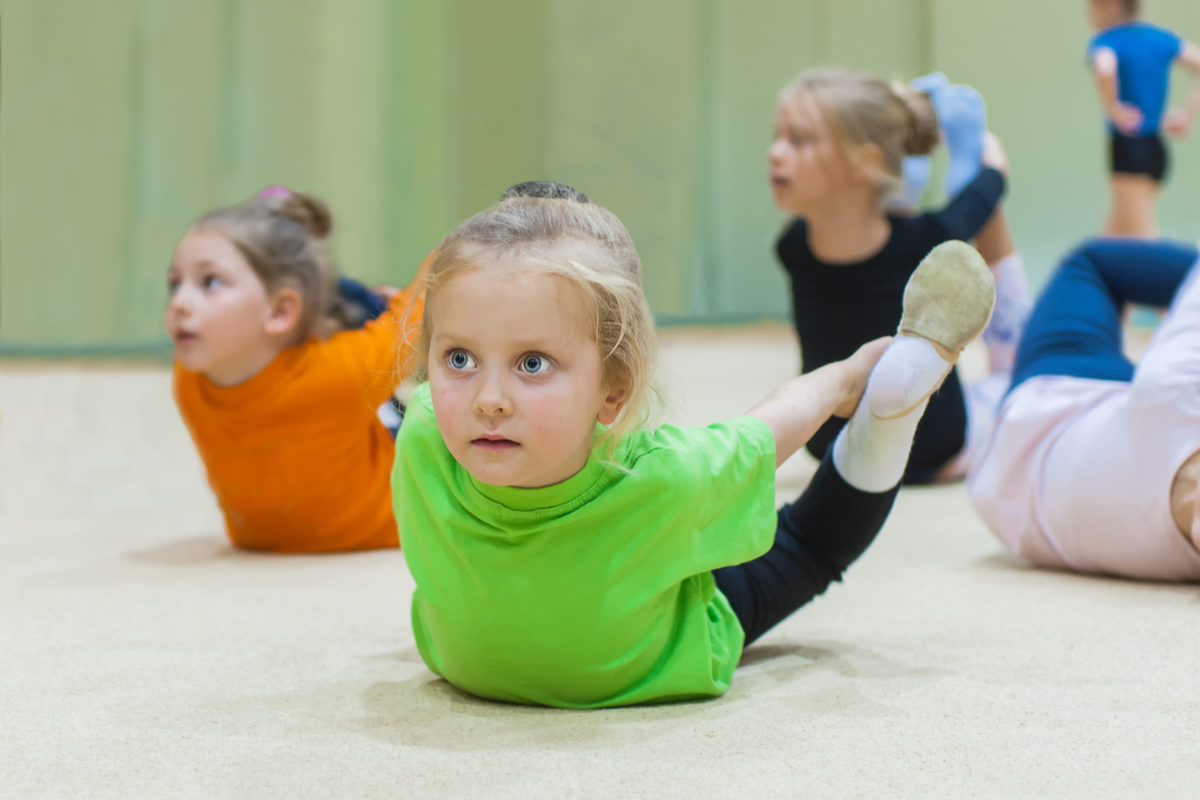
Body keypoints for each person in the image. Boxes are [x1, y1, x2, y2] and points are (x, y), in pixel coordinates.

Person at [392, 189, 996, 708]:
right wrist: (841, 380)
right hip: (650, 663)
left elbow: (402, 402)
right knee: (811, 546)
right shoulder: (665, 479)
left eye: (531, 363)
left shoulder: (418, 431)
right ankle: (892, 411)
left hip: (463, 665)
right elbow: (765, 431)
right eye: (460, 360)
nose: (488, 399)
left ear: (612, 395)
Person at [769, 66, 1029, 484]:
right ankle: (929, 175)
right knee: (1019, 386)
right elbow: (969, 212)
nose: (776, 153)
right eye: (777, 137)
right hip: (937, 448)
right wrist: (992, 169)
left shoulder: (794, 246)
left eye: (798, 140)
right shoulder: (922, 240)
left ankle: (907, 183)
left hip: (842, 447)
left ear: (865, 162)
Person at [167, 187, 425, 553]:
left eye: (209, 282)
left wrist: (463, 249)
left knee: (435, 414)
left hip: (387, 516)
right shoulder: (189, 378)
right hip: (352, 410)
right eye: (175, 283)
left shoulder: (335, 374)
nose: (178, 303)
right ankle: (360, 303)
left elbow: (414, 322)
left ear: (279, 311)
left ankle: (363, 304)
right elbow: (411, 321)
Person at [968, 238, 1200, 581]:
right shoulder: (1175, 388)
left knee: (1089, 264)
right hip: (1028, 486)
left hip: (1050, 412)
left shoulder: (1177, 388)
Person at [1086, 0, 1200, 237]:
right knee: (1115, 234)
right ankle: (1099, 272)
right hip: (1155, 149)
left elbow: (1104, 67)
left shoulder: (1108, 40)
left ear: (1111, 6)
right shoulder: (1159, 38)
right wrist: (1186, 114)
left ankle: (1176, 274)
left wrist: (1114, 108)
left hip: (1130, 149)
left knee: (1143, 238)